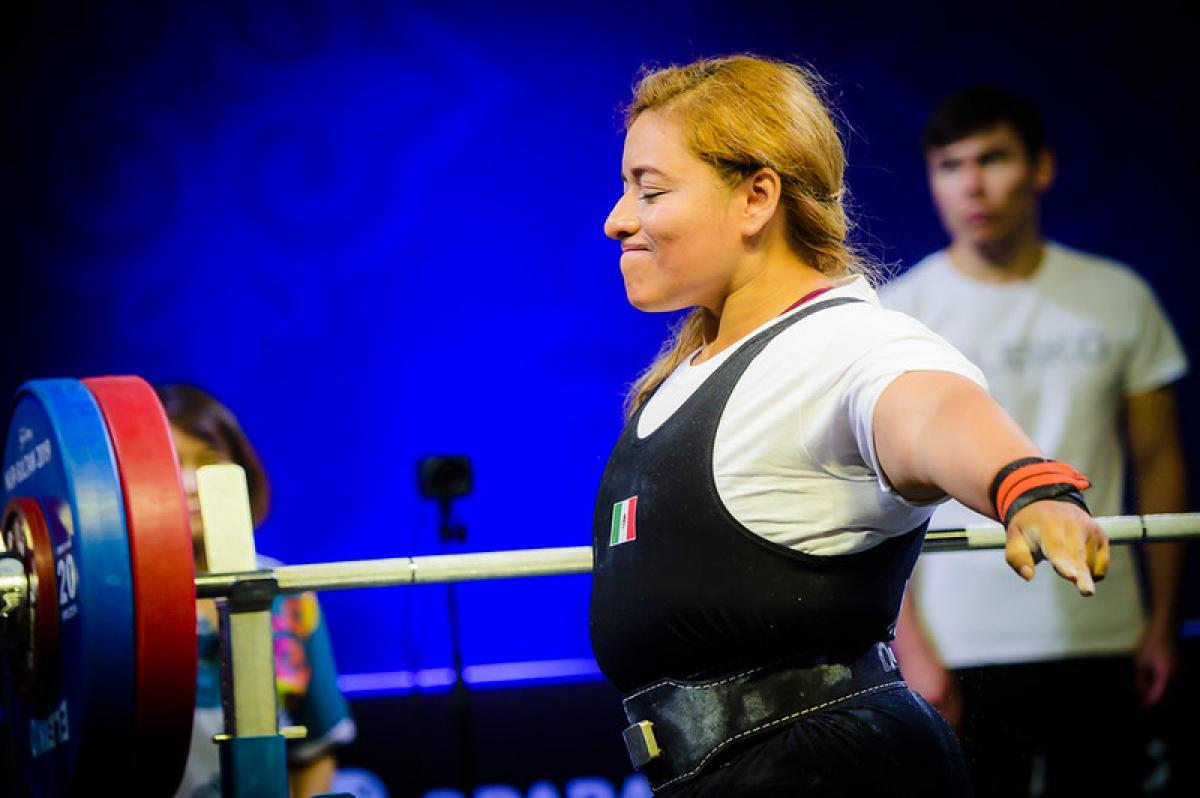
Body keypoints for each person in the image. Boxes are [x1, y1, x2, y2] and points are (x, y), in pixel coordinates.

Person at [588, 55, 1110, 797]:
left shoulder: (843, 344)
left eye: (651, 189)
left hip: (827, 774)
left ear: (756, 197)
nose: (619, 219)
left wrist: (1026, 485)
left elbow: (931, 408)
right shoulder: (691, 372)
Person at [881, 85, 1189, 796]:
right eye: (951, 165)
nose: (974, 183)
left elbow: (1160, 463)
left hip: (1104, 630)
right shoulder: (901, 316)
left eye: (993, 158)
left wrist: (1162, 624)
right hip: (959, 647)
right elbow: (877, 497)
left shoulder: (1117, 296)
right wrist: (912, 649)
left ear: (1041, 168)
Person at [156, 383, 357, 798]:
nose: (192, 482)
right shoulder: (117, 607)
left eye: (209, 461)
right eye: (171, 463)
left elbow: (317, 749)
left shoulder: (287, 592)